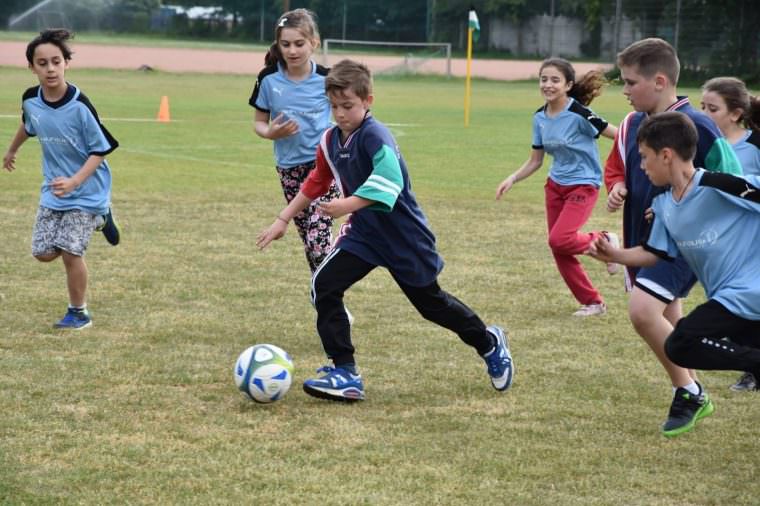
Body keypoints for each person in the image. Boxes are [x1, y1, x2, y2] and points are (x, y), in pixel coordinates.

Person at [257, 59, 514, 402]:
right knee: (325, 285)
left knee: (431, 305)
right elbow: (318, 180)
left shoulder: (375, 135)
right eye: (334, 106)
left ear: (368, 101)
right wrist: (283, 218)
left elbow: (389, 181)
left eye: (348, 106)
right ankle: (345, 373)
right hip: (364, 234)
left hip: (403, 235)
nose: (341, 114)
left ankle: (489, 342)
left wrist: (344, 206)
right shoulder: (331, 139)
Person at [603, 38, 742, 437]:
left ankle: (691, 390)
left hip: (685, 242)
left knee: (643, 312)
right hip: (647, 242)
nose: (625, 90)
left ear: (660, 81)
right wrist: (618, 187)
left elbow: (730, 178)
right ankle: (689, 387)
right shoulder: (630, 125)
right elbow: (621, 170)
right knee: (668, 316)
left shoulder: (697, 125)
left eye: (630, 83)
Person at [589, 113, 760, 431]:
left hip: (748, 293)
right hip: (731, 300)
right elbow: (654, 254)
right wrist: (615, 255)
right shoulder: (666, 206)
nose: (640, 167)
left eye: (644, 158)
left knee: (681, 343)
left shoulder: (718, 185)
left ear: (666, 155)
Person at [2, 29, 120, 330]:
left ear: (66, 63)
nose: (50, 68)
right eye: (42, 63)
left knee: (70, 252)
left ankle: (78, 312)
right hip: (53, 189)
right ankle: (102, 219)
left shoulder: (80, 105)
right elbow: (29, 125)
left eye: (56, 61)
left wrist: (75, 182)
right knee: (42, 253)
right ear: (32, 67)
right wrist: (12, 150)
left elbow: (101, 149)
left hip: (87, 188)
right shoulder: (31, 99)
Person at [496, 57, 618, 317]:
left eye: (555, 80)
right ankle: (593, 302)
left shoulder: (580, 114)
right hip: (555, 187)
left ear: (568, 85)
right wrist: (512, 178)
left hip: (583, 186)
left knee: (559, 239)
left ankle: (604, 240)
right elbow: (536, 160)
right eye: (544, 79)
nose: (548, 85)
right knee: (559, 247)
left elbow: (619, 135)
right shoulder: (539, 117)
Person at [249, 8, 339, 274]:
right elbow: (259, 122)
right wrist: (270, 133)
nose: (292, 51)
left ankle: (331, 296)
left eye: (299, 44)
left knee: (317, 236)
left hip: (323, 165)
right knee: (309, 240)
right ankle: (323, 294)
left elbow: (346, 113)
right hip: (289, 168)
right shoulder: (268, 78)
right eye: (285, 44)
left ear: (314, 43)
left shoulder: (328, 78)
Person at [701, 76, 760, 391]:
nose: (704, 114)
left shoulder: (755, 145)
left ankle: (752, 370)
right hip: (720, 240)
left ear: (735, 113)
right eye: (702, 107)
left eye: (712, 109)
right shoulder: (705, 145)